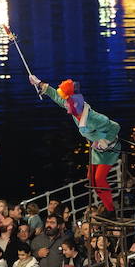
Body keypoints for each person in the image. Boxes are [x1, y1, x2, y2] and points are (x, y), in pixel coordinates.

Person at [30, 77, 121, 216]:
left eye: (67, 103)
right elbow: (57, 97)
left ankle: (110, 210)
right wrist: (40, 83)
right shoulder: (76, 111)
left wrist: (105, 141)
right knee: (91, 178)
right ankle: (106, 202)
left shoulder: (94, 118)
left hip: (109, 149)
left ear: (74, 105)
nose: (65, 105)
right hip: (97, 149)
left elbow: (115, 127)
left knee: (100, 178)